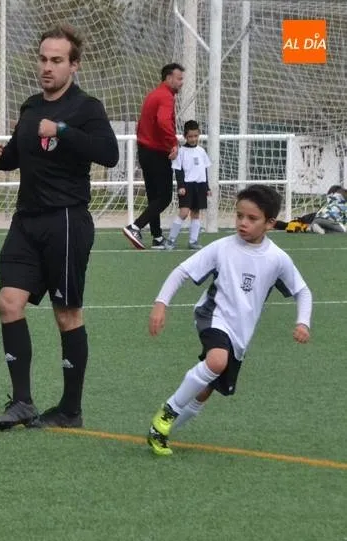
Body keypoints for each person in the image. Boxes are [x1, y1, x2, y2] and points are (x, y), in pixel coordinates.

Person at [0, 24, 119, 429]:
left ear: (73, 65)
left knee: (67, 314)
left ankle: (70, 410)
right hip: (27, 220)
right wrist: (0, 159)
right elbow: (18, 155)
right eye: (43, 58)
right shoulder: (29, 106)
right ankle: (22, 402)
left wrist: (62, 130)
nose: (47, 67)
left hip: (65, 220)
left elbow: (109, 154)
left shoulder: (86, 108)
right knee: (8, 302)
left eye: (56, 60)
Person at [145, 184, 312, 456]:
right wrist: (160, 304)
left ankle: (160, 434)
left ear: (270, 223)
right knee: (216, 361)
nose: (242, 223)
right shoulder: (222, 248)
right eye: (239, 216)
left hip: (240, 333)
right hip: (213, 315)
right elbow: (181, 272)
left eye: (251, 218)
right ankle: (167, 413)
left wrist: (303, 322)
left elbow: (303, 291)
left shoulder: (277, 259)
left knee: (205, 390)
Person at [123, 63, 184, 250]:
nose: (182, 82)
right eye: (179, 78)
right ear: (168, 78)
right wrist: (172, 143)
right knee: (164, 197)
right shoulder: (165, 97)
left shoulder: (153, 94)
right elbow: (163, 121)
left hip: (145, 150)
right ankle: (135, 227)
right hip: (156, 152)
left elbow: (141, 124)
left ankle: (157, 237)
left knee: (154, 196)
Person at [165, 120, 210, 250]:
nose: (193, 139)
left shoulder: (201, 151)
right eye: (190, 136)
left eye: (195, 136)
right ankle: (171, 240)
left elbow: (204, 170)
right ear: (185, 136)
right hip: (187, 186)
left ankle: (193, 241)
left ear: (199, 135)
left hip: (200, 186)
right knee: (184, 212)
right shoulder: (181, 151)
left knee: (196, 213)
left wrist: (207, 187)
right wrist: (181, 186)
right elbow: (178, 170)